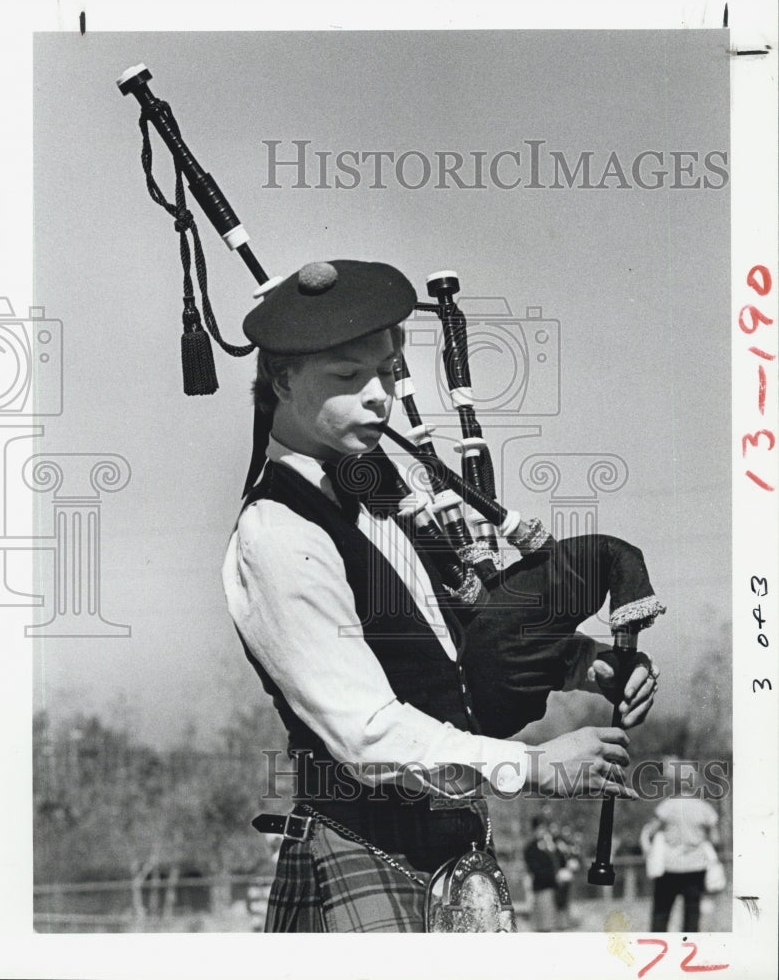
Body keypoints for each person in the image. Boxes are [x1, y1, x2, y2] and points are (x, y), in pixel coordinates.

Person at [222, 258, 659, 933]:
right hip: (360, 846)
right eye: (347, 375)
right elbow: (366, 733)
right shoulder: (278, 533)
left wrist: (583, 663)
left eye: (389, 372)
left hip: (452, 844)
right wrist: (535, 767)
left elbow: (460, 634)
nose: (379, 398)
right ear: (282, 379)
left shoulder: (386, 493)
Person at [640, 758, 720, 932]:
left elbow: (650, 833)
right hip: (695, 867)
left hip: (669, 867)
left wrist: (648, 849)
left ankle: (657, 950)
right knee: (692, 915)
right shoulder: (704, 808)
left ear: (674, 782)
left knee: (661, 914)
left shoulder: (666, 807)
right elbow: (715, 839)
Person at [523, 817, 560, 932]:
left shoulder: (549, 846)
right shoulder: (530, 848)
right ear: (534, 831)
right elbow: (534, 868)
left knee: (550, 925)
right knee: (543, 926)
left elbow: (559, 862)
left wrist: (552, 850)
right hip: (541, 887)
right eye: (540, 829)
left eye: (544, 829)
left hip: (551, 887)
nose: (542, 832)